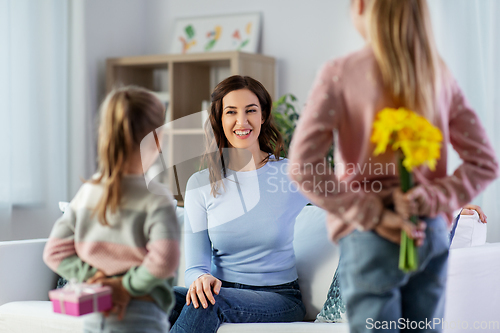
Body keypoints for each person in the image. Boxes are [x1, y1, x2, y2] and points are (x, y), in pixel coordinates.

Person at [289, 0, 498, 332]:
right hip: (427, 233)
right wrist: (430, 200)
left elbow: (302, 166)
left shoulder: (340, 73)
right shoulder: (438, 75)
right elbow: (485, 163)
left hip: (370, 237)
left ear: (359, 6)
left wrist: (371, 214)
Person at [169, 75, 309, 333]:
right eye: (231, 112)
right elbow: (195, 267)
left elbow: (349, 199)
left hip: (279, 298)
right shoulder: (200, 184)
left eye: (251, 111)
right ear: (220, 119)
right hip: (222, 288)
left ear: (263, 115)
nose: (241, 121)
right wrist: (201, 279)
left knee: (209, 303)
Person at [43, 86, 180, 333]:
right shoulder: (157, 199)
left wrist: (100, 283)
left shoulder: (87, 192)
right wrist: (123, 287)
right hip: (143, 316)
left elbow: (53, 252)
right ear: (158, 140)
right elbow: (164, 261)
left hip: (96, 314)